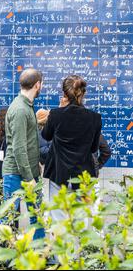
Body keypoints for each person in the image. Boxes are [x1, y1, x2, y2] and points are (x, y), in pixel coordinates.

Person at [42, 75, 102, 221]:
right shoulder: (95, 117)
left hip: (58, 173)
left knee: (58, 220)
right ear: (83, 93)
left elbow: (46, 135)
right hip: (83, 175)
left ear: (64, 94)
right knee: (81, 222)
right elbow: (94, 148)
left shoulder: (56, 114)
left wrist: (59, 111)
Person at [2, 68, 45, 240]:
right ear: (37, 85)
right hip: (17, 174)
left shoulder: (26, 107)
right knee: (7, 218)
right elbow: (19, 148)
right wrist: (30, 178)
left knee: (38, 216)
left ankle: (42, 255)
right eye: (41, 84)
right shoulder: (20, 110)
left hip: (27, 172)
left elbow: (24, 139)